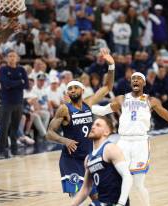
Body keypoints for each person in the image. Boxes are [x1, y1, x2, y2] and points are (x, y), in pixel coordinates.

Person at [92, 72, 168, 206]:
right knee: (116, 180)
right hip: (123, 142)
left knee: (138, 184)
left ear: (144, 83)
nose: (135, 81)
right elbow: (102, 111)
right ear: (131, 83)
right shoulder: (122, 99)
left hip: (140, 143)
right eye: (133, 79)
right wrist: (83, 106)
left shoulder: (151, 101)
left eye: (138, 79)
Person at [46, 48, 115, 198]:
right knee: (78, 197)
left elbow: (107, 87)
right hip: (70, 160)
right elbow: (49, 133)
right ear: (67, 93)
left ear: (82, 90)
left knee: (97, 198)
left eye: (75, 87)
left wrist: (111, 66)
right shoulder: (64, 109)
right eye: (69, 88)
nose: (72, 90)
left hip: (88, 158)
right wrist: (64, 140)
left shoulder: (88, 103)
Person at [72, 117, 132, 206]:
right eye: (93, 124)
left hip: (115, 203)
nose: (93, 127)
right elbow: (86, 188)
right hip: (102, 202)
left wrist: (121, 203)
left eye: (98, 125)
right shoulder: (88, 158)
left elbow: (127, 176)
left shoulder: (110, 149)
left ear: (106, 132)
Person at [0, 50, 29, 158]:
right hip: (7, 102)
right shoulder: (3, 69)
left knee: (15, 128)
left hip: (19, 102)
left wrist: (13, 84)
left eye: (13, 56)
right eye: (9, 56)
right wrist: (19, 82)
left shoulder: (21, 69)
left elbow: (27, 85)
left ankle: (14, 150)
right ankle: (0, 151)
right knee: (4, 127)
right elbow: (5, 84)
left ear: (17, 58)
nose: (11, 58)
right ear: (6, 58)